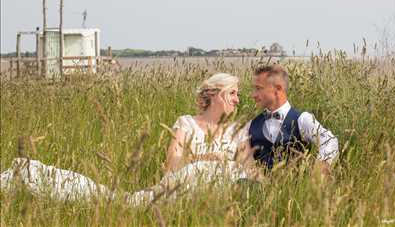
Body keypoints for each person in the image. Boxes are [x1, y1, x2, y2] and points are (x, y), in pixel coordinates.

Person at [0, 73, 255, 207]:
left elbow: (250, 172)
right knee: (121, 201)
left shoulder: (239, 131)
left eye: (238, 94)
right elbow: (171, 167)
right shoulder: (186, 123)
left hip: (218, 201)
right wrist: (203, 158)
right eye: (232, 93)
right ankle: (30, 175)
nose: (237, 99)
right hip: (179, 193)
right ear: (214, 94)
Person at [239, 64, 339, 173]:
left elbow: (330, 141)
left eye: (258, 88)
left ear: (278, 88)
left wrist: (319, 170)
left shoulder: (302, 120)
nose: (253, 94)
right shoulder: (250, 126)